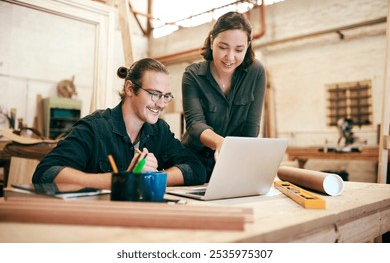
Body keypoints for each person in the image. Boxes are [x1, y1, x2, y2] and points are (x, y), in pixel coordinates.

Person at [33, 58, 206, 189]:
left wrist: (152, 178)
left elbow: (196, 169)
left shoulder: (159, 130)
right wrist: (121, 180)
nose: (161, 104)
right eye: (154, 94)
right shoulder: (94, 128)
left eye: (166, 96)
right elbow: (45, 174)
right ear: (130, 89)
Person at [181, 11, 266, 181]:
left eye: (239, 50)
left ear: (248, 46)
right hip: (193, 160)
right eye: (223, 47)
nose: (230, 57)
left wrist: (238, 159)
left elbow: (251, 126)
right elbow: (195, 124)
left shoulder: (256, 72)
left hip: (233, 159)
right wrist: (221, 143)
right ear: (212, 41)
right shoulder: (192, 75)